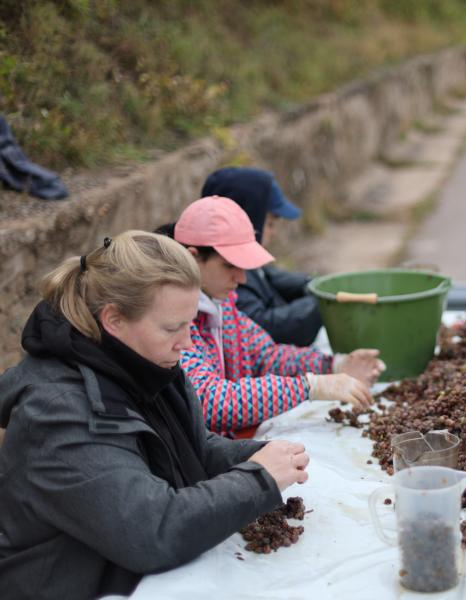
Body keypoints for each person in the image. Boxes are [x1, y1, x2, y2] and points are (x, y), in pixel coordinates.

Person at [0, 231, 310, 599]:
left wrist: (258, 456)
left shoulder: (145, 362)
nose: (188, 343)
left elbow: (190, 447)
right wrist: (258, 480)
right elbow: (152, 531)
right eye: (172, 327)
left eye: (190, 324)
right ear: (113, 320)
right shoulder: (57, 412)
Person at [170, 196, 384, 436]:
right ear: (192, 257)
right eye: (230, 265)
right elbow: (212, 402)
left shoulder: (220, 303)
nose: (241, 279)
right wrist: (309, 386)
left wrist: (334, 364)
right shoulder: (172, 319)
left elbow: (266, 355)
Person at [201, 167, 322, 346]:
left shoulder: (245, 274)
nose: (240, 277)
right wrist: (322, 304)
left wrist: (317, 287)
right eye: (270, 224)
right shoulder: (217, 296)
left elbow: (272, 277)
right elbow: (263, 330)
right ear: (249, 219)